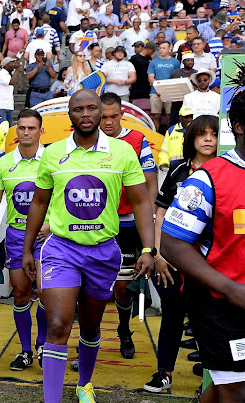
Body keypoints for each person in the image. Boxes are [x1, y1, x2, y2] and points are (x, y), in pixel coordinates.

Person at [22, 89, 155, 403]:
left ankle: (84, 384)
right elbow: (38, 202)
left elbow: (142, 202)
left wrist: (148, 247)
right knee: (58, 323)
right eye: (78, 108)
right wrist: (26, 249)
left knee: (92, 323)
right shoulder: (53, 154)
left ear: (104, 113)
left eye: (91, 108)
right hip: (61, 250)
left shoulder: (123, 152)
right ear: (69, 114)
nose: (85, 113)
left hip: (103, 252)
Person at [161, 90, 245, 403]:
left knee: (232, 383)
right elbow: (173, 245)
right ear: (241, 127)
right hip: (220, 305)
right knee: (239, 396)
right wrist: (231, 289)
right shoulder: (207, 179)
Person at [144, 115, 218, 393]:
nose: (208, 139)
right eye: (202, 134)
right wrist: (159, 254)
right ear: (191, 139)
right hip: (173, 260)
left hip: (210, 262)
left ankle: (210, 383)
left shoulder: (226, 170)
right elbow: (160, 212)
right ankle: (164, 373)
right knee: (173, 313)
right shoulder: (177, 171)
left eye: (213, 133)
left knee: (207, 319)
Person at [0, 109, 49, 371]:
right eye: (22, 128)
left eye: (32, 128)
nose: (26, 132)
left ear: (41, 131)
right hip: (16, 237)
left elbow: (64, 199)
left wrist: (52, 224)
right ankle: (25, 351)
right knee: (20, 294)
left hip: (46, 237)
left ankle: (43, 345)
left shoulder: (52, 160)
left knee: (45, 292)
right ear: (16, 131)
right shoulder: (3, 164)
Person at [96, 92, 158, 360]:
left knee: (122, 286)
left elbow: (150, 182)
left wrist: (151, 218)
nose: (108, 122)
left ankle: (124, 330)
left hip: (127, 223)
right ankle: (89, 341)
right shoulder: (87, 141)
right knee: (92, 286)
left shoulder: (137, 140)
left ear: (122, 115)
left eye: (113, 116)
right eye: (104, 117)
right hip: (93, 225)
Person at [148, 40, 180, 132]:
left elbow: (177, 77)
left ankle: (170, 134)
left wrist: (167, 89)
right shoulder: (153, 62)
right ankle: (155, 134)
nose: (161, 50)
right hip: (155, 91)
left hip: (170, 91)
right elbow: (151, 77)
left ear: (169, 48)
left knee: (170, 115)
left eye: (164, 48)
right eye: (160, 48)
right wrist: (159, 89)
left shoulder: (175, 62)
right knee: (156, 115)